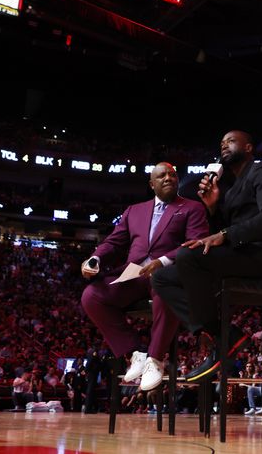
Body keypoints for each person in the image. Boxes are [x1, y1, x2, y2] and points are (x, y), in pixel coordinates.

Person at [152, 131, 262, 382]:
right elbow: (225, 230)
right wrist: (213, 206)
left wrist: (225, 234)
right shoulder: (232, 188)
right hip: (243, 256)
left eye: (230, 141)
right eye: (221, 143)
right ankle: (224, 335)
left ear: (248, 146)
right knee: (162, 278)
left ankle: (222, 342)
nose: (224, 145)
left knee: (188, 256)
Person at [81, 162, 209, 391]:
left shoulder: (192, 208)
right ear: (152, 184)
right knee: (91, 295)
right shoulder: (134, 210)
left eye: (172, 174)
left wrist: (164, 260)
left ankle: (155, 359)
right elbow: (114, 242)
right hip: (134, 273)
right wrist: (95, 259)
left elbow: (196, 244)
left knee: (165, 286)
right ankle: (135, 354)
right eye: (161, 176)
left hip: (167, 272)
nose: (168, 178)